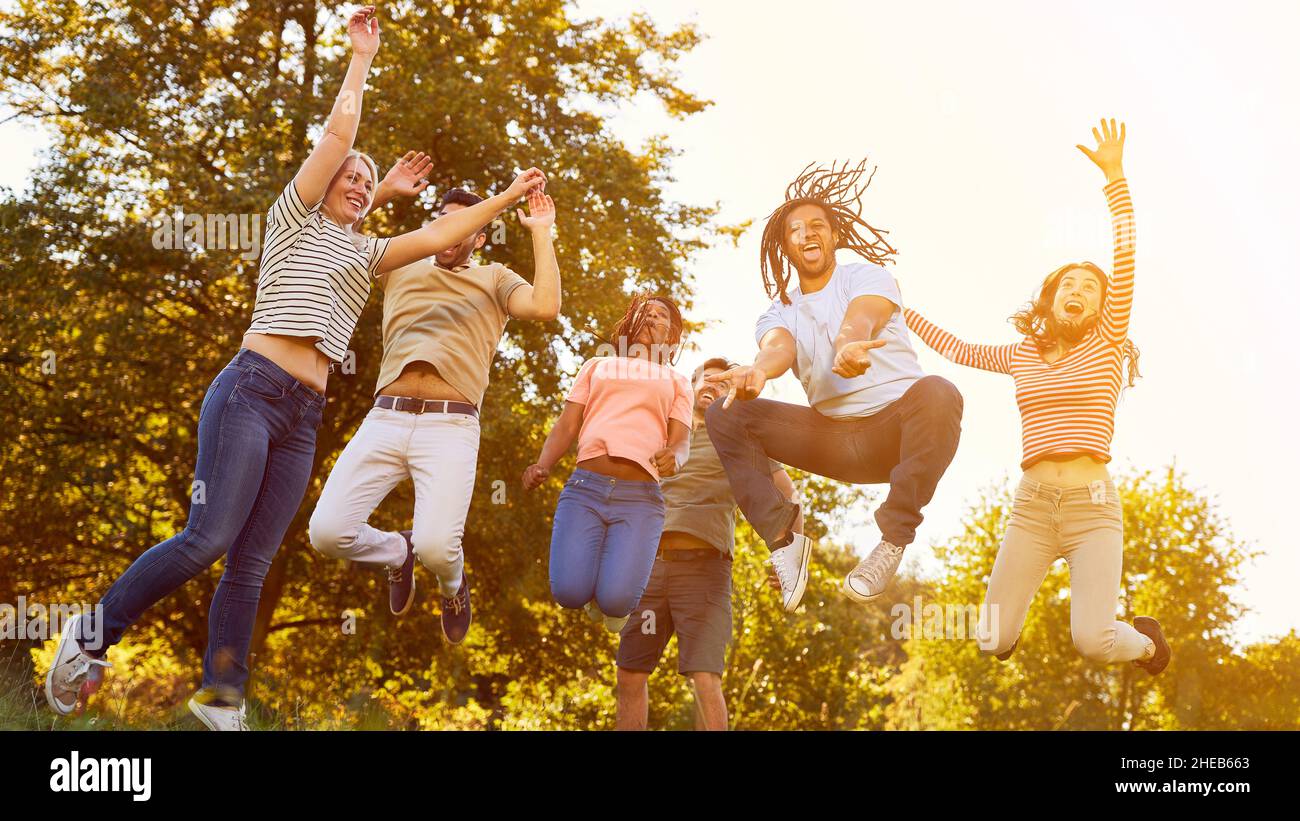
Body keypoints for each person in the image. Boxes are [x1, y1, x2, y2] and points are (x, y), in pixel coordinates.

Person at [42, 5, 547, 730]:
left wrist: (502, 199)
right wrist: (361, 60)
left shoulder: (369, 254)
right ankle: (88, 637)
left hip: (301, 417)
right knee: (208, 538)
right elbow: (339, 135)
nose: (356, 176)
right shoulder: (293, 218)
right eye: (349, 173)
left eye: (366, 179)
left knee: (250, 562)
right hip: (251, 391)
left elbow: (441, 231)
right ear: (323, 182)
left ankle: (223, 701)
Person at [903, 119, 1169, 674]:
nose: (1079, 291)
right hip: (1031, 510)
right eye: (1068, 285)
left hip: (1093, 510)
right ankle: (1006, 631)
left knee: (1093, 641)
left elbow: (1126, 258)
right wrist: (897, 311)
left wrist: (1115, 177)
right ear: (1048, 303)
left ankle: (1146, 643)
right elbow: (955, 347)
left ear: (1101, 308)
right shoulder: (1021, 355)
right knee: (992, 642)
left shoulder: (1107, 342)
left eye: (1089, 288)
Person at [705, 160, 963, 612]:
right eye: (796, 231)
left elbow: (861, 317)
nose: (807, 235)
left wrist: (849, 344)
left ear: (834, 235)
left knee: (940, 391)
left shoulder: (867, 277)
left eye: (817, 226)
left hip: (896, 432)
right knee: (725, 411)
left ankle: (891, 542)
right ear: (785, 246)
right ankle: (785, 541)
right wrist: (758, 371)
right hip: (830, 439)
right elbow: (777, 348)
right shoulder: (779, 310)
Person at [309, 182, 560, 645]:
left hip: (450, 426)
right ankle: (394, 550)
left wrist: (541, 232)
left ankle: (452, 584)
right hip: (385, 418)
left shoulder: (495, 278)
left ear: (478, 237)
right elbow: (336, 239)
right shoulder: (401, 263)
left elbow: (545, 306)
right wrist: (381, 191)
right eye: (441, 221)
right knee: (326, 533)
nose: (448, 233)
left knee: (437, 548)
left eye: (460, 226)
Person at [615, 357, 798, 731]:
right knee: (629, 675)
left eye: (721, 383)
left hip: (705, 571)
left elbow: (787, 496)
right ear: (691, 385)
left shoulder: (740, 441)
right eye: (705, 379)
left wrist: (789, 561)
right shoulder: (664, 436)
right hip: (649, 569)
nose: (710, 386)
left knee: (704, 678)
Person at [522, 296, 692, 632]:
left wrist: (675, 457)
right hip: (586, 489)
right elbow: (567, 425)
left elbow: (682, 441)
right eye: (645, 313)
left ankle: (615, 598)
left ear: (672, 338)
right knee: (569, 593)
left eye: (660, 316)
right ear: (628, 324)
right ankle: (594, 585)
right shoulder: (596, 366)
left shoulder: (677, 381)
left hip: (640, 498)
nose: (651, 318)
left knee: (616, 601)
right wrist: (542, 464)